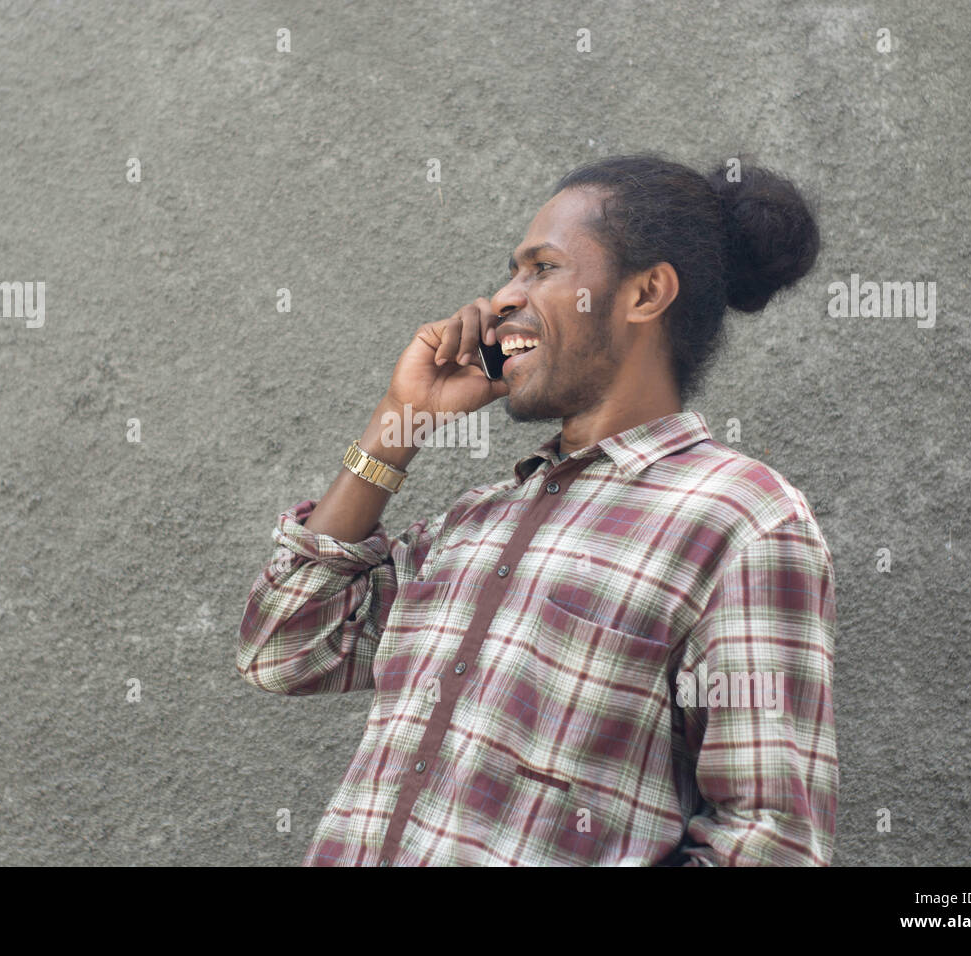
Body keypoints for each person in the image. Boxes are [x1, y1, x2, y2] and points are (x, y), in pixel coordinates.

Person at [236, 153, 837, 866]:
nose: (500, 301)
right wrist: (401, 421)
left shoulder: (744, 522)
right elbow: (283, 651)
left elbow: (771, 843)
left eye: (541, 268)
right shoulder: (478, 519)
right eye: (512, 271)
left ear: (646, 293)